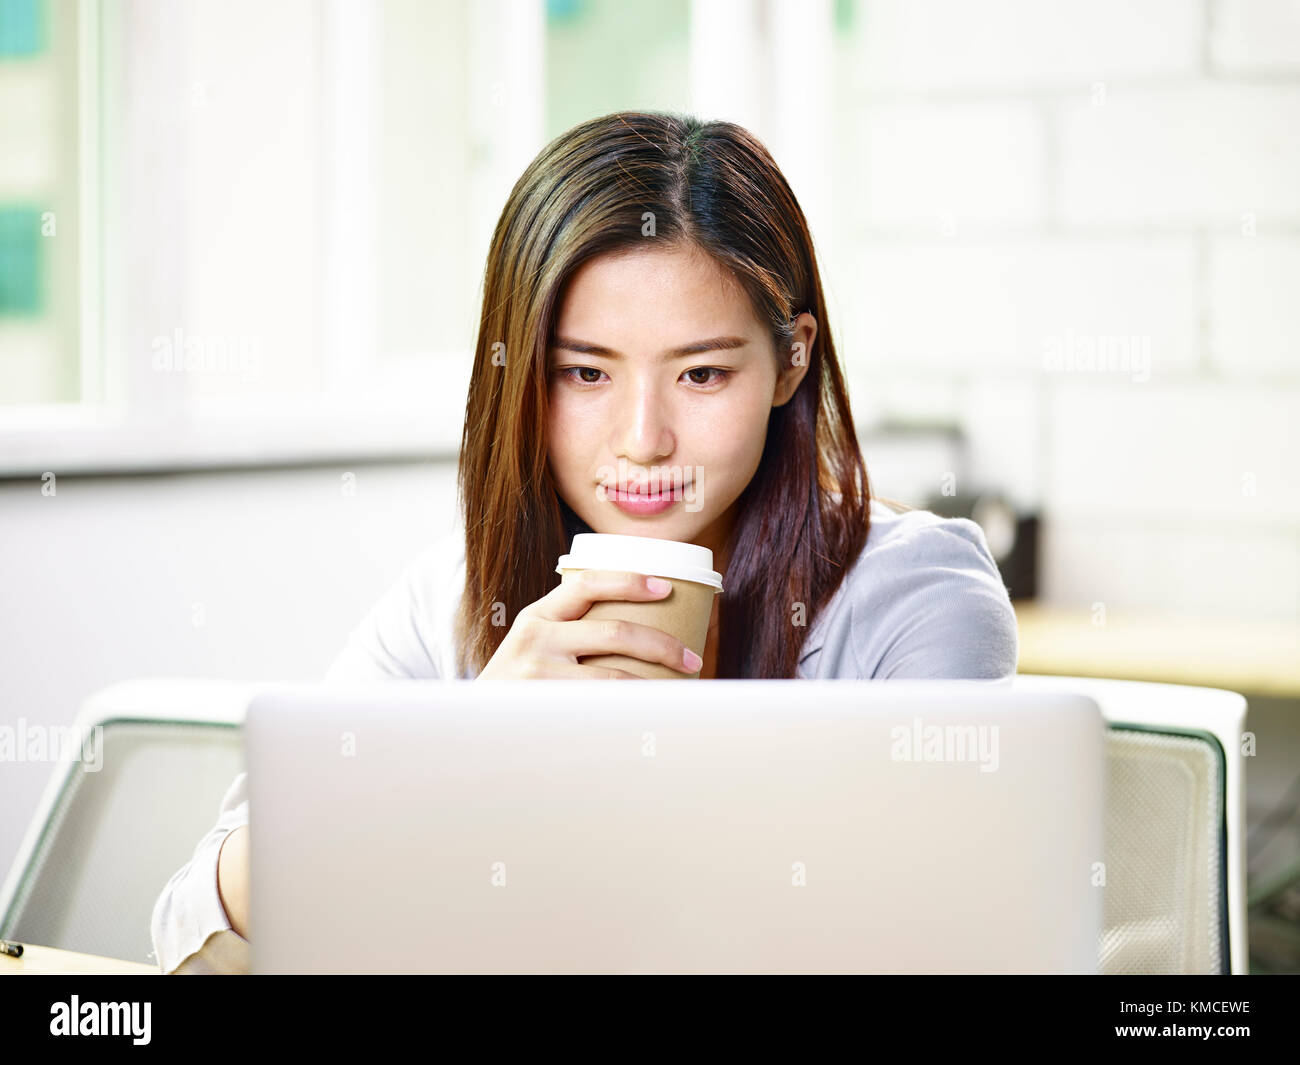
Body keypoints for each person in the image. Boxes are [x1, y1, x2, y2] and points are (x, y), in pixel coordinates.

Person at [150, 110, 1018, 974]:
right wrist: (455, 754)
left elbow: (930, 936)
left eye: (703, 373)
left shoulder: (913, 595)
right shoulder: (453, 602)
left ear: (791, 361)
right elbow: (196, 927)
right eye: (586, 373)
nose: (643, 438)